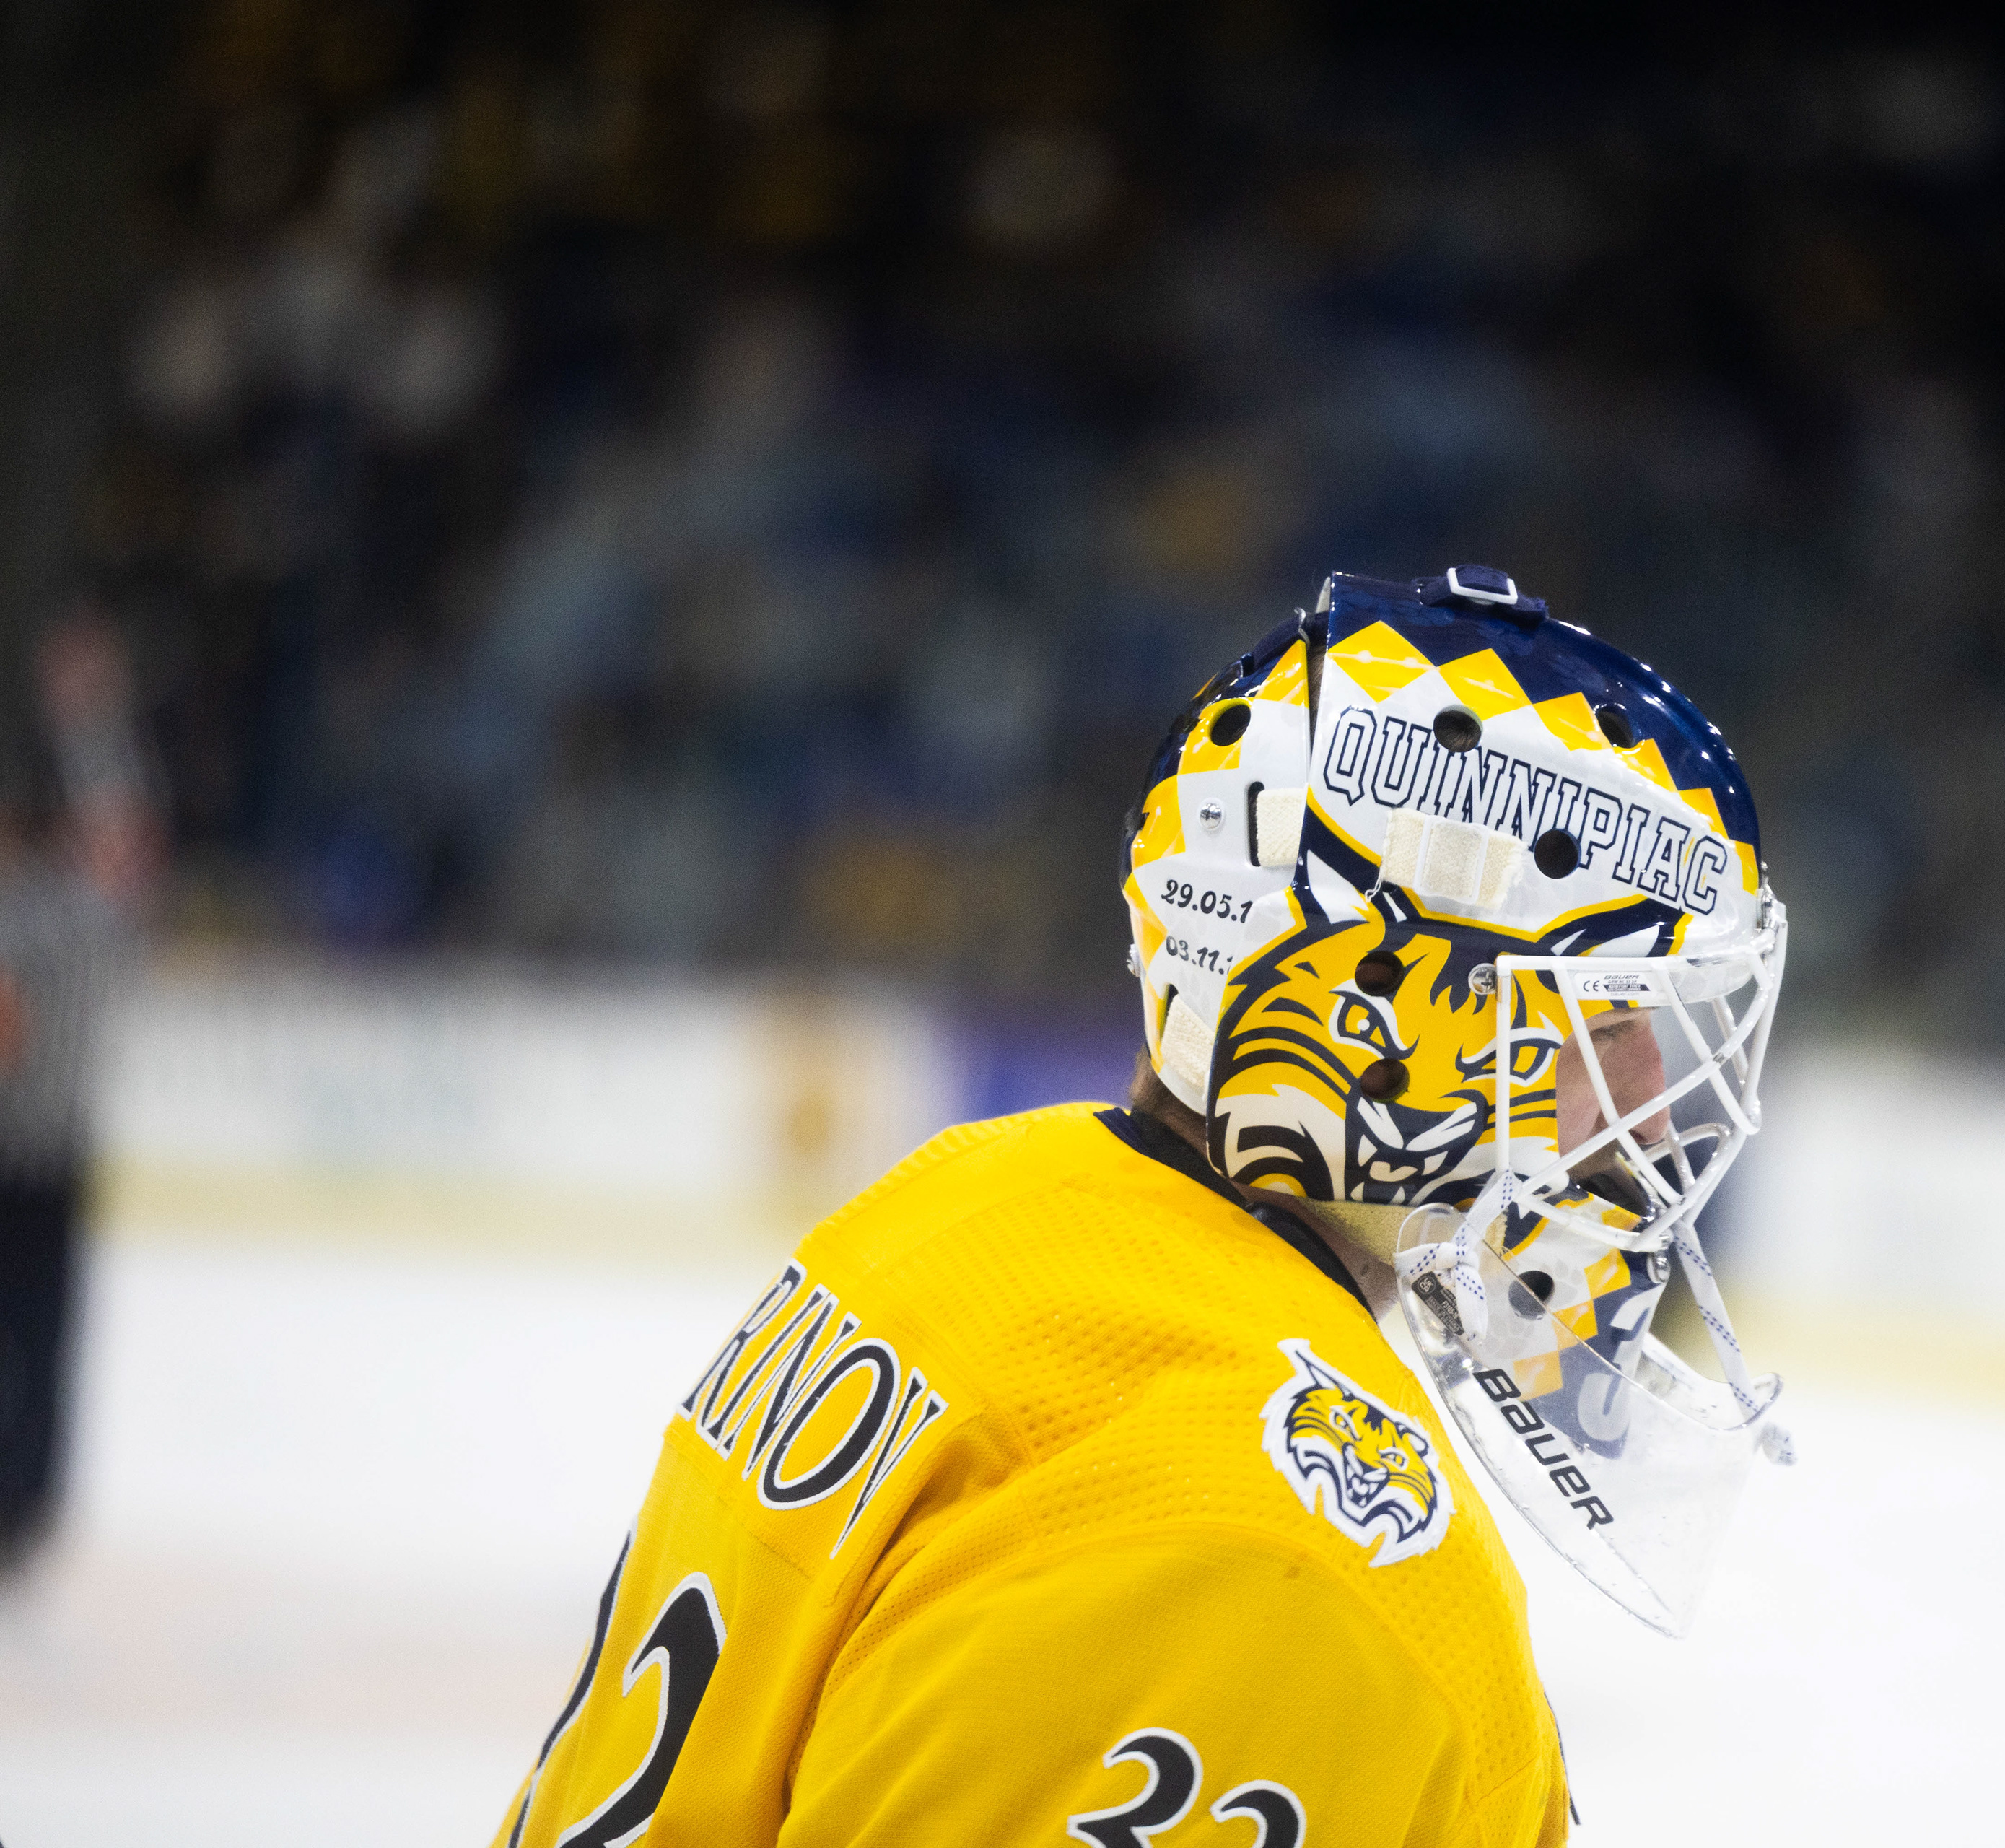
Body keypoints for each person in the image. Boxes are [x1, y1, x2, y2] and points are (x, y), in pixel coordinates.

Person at [493, 567, 1791, 1845]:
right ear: (1385, 1008)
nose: (1652, 1114)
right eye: (1609, 1025)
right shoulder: (1282, 1554)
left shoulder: (964, 1209)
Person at [0, 614, 160, 1570]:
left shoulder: (60, 915)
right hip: (46, 1157)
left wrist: (92, 724)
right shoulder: (70, 915)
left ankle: (26, 1502)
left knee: (40, 1334)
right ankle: (27, 1500)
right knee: (41, 1335)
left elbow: (119, 845)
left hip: (43, 1156)